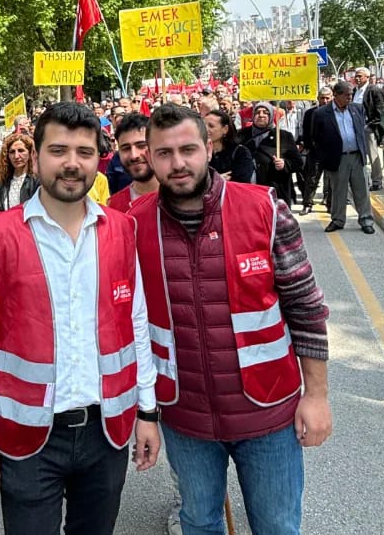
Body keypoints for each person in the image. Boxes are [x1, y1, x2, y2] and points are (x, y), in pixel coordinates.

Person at [0, 102, 160, 534]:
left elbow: (136, 324)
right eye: (58, 150)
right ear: (35, 156)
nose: (72, 163)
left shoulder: (123, 230)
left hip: (106, 431)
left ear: (98, 160)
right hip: (27, 435)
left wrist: (148, 411)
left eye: (84, 152)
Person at [132, 103, 331, 534]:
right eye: (164, 153)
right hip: (184, 416)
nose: (178, 163)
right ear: (149, 157)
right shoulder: (132, 226)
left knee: (277, 527)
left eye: (188, 149)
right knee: (199, 524)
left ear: (209, 147)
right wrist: (142, 412)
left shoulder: (263, 208)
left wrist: (316, 396)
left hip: (268, 413)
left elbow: (306, 307)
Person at [310, 81, 376, 234]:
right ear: (336, 95)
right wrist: (324, 157)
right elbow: (315, 138)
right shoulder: (321, 113)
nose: (349, 97)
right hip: (337, 158)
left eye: (351, 94)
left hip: (356, 156)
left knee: (362, 190)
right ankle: (338, 220)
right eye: (346, 95)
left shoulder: (357, 109)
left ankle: (366, 219)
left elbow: (361, 131)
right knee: (339, 191)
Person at [239, 102, 302, 204]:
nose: (261, 115)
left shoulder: (284, 136)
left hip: (274, 191)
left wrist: (284, 164)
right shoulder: (242, 135)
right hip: (247, 190)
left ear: (272, 116)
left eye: (266, 112)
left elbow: (298, 163)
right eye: (257, 112)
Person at [107, 113, 159, 213]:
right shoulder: (114, 206)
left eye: (141, 145)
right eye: (126, 148)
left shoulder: (181, 196)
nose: (134, 155)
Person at [299, 88, 333, 214]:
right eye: (322, 98)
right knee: (311, 179)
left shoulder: (336, 112)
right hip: (315, 152)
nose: (325, 100)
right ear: (318, 98)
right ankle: (307, 204)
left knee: (331, 180)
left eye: (327, 98)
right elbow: (306, 132)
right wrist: (309, 146)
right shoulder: (310, 113)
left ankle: (330, 204)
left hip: (331, 152)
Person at [352, 67, 384, 190]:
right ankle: (362, 180)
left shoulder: (374, 90)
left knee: (373, 154)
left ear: (367, 77)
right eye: (356, 76)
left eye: (360, 76)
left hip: (368, 128)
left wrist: (370, 125)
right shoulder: (355, 91)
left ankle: (377, 181)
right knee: (359, 156)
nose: (357, 78)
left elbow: (379, 111)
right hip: (355, 128)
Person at [204, 109, 255, 185]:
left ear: (225, 129)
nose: (205, 129)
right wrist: (216, 180)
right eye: (203, 125)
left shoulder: (240, 152)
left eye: (211, 126)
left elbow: (241, 183)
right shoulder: (197, 151)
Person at [0, 133, 38, 212]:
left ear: (30, 153)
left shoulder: (37, 180)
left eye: (21, 150)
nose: (16, 156)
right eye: (12, 152)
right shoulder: (3, 180)